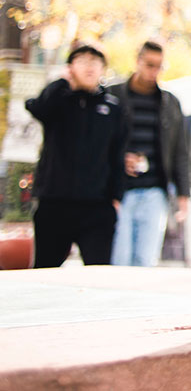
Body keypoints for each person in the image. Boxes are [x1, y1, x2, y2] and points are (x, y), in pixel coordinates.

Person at [25, 44, 125, 267]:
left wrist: (116, 197)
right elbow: (38, 108)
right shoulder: (58, 100)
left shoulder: (112, 108)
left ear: (103, 68)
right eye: (82, 61)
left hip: (97, 206)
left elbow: (117, 154)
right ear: (70, 67)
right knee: (45, 270)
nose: (89, 66)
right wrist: (62, 82)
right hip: (55, 203)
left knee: (98, 271)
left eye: (94, 61)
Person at [110, 41, 190, 267]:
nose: (154, 71)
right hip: (119, 193)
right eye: (149, 64)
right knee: (119, 259)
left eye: (159, 66)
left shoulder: (169, 102)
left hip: (155, 192)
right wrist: (120, 160)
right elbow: (100, 145)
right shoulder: (113, 95)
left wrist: (184, 195)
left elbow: (180, 151)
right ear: (138, 62)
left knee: (145, 262)